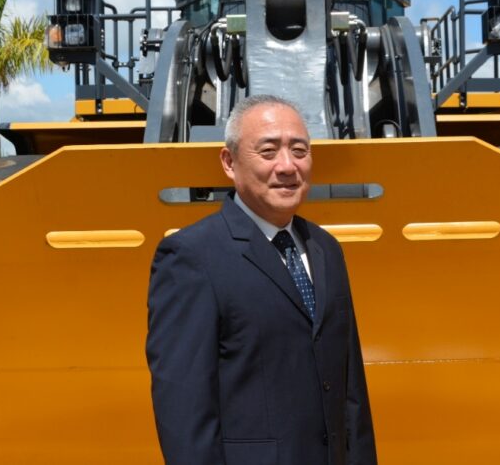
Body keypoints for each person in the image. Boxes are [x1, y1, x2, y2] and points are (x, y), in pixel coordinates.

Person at [146, 95, 377, 465]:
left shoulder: (326, 249)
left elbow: (351, 391)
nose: (287, 166)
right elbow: (184, 411)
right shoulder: (192, 257)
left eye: (299, 151)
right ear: (229, 162)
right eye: (268, 151)